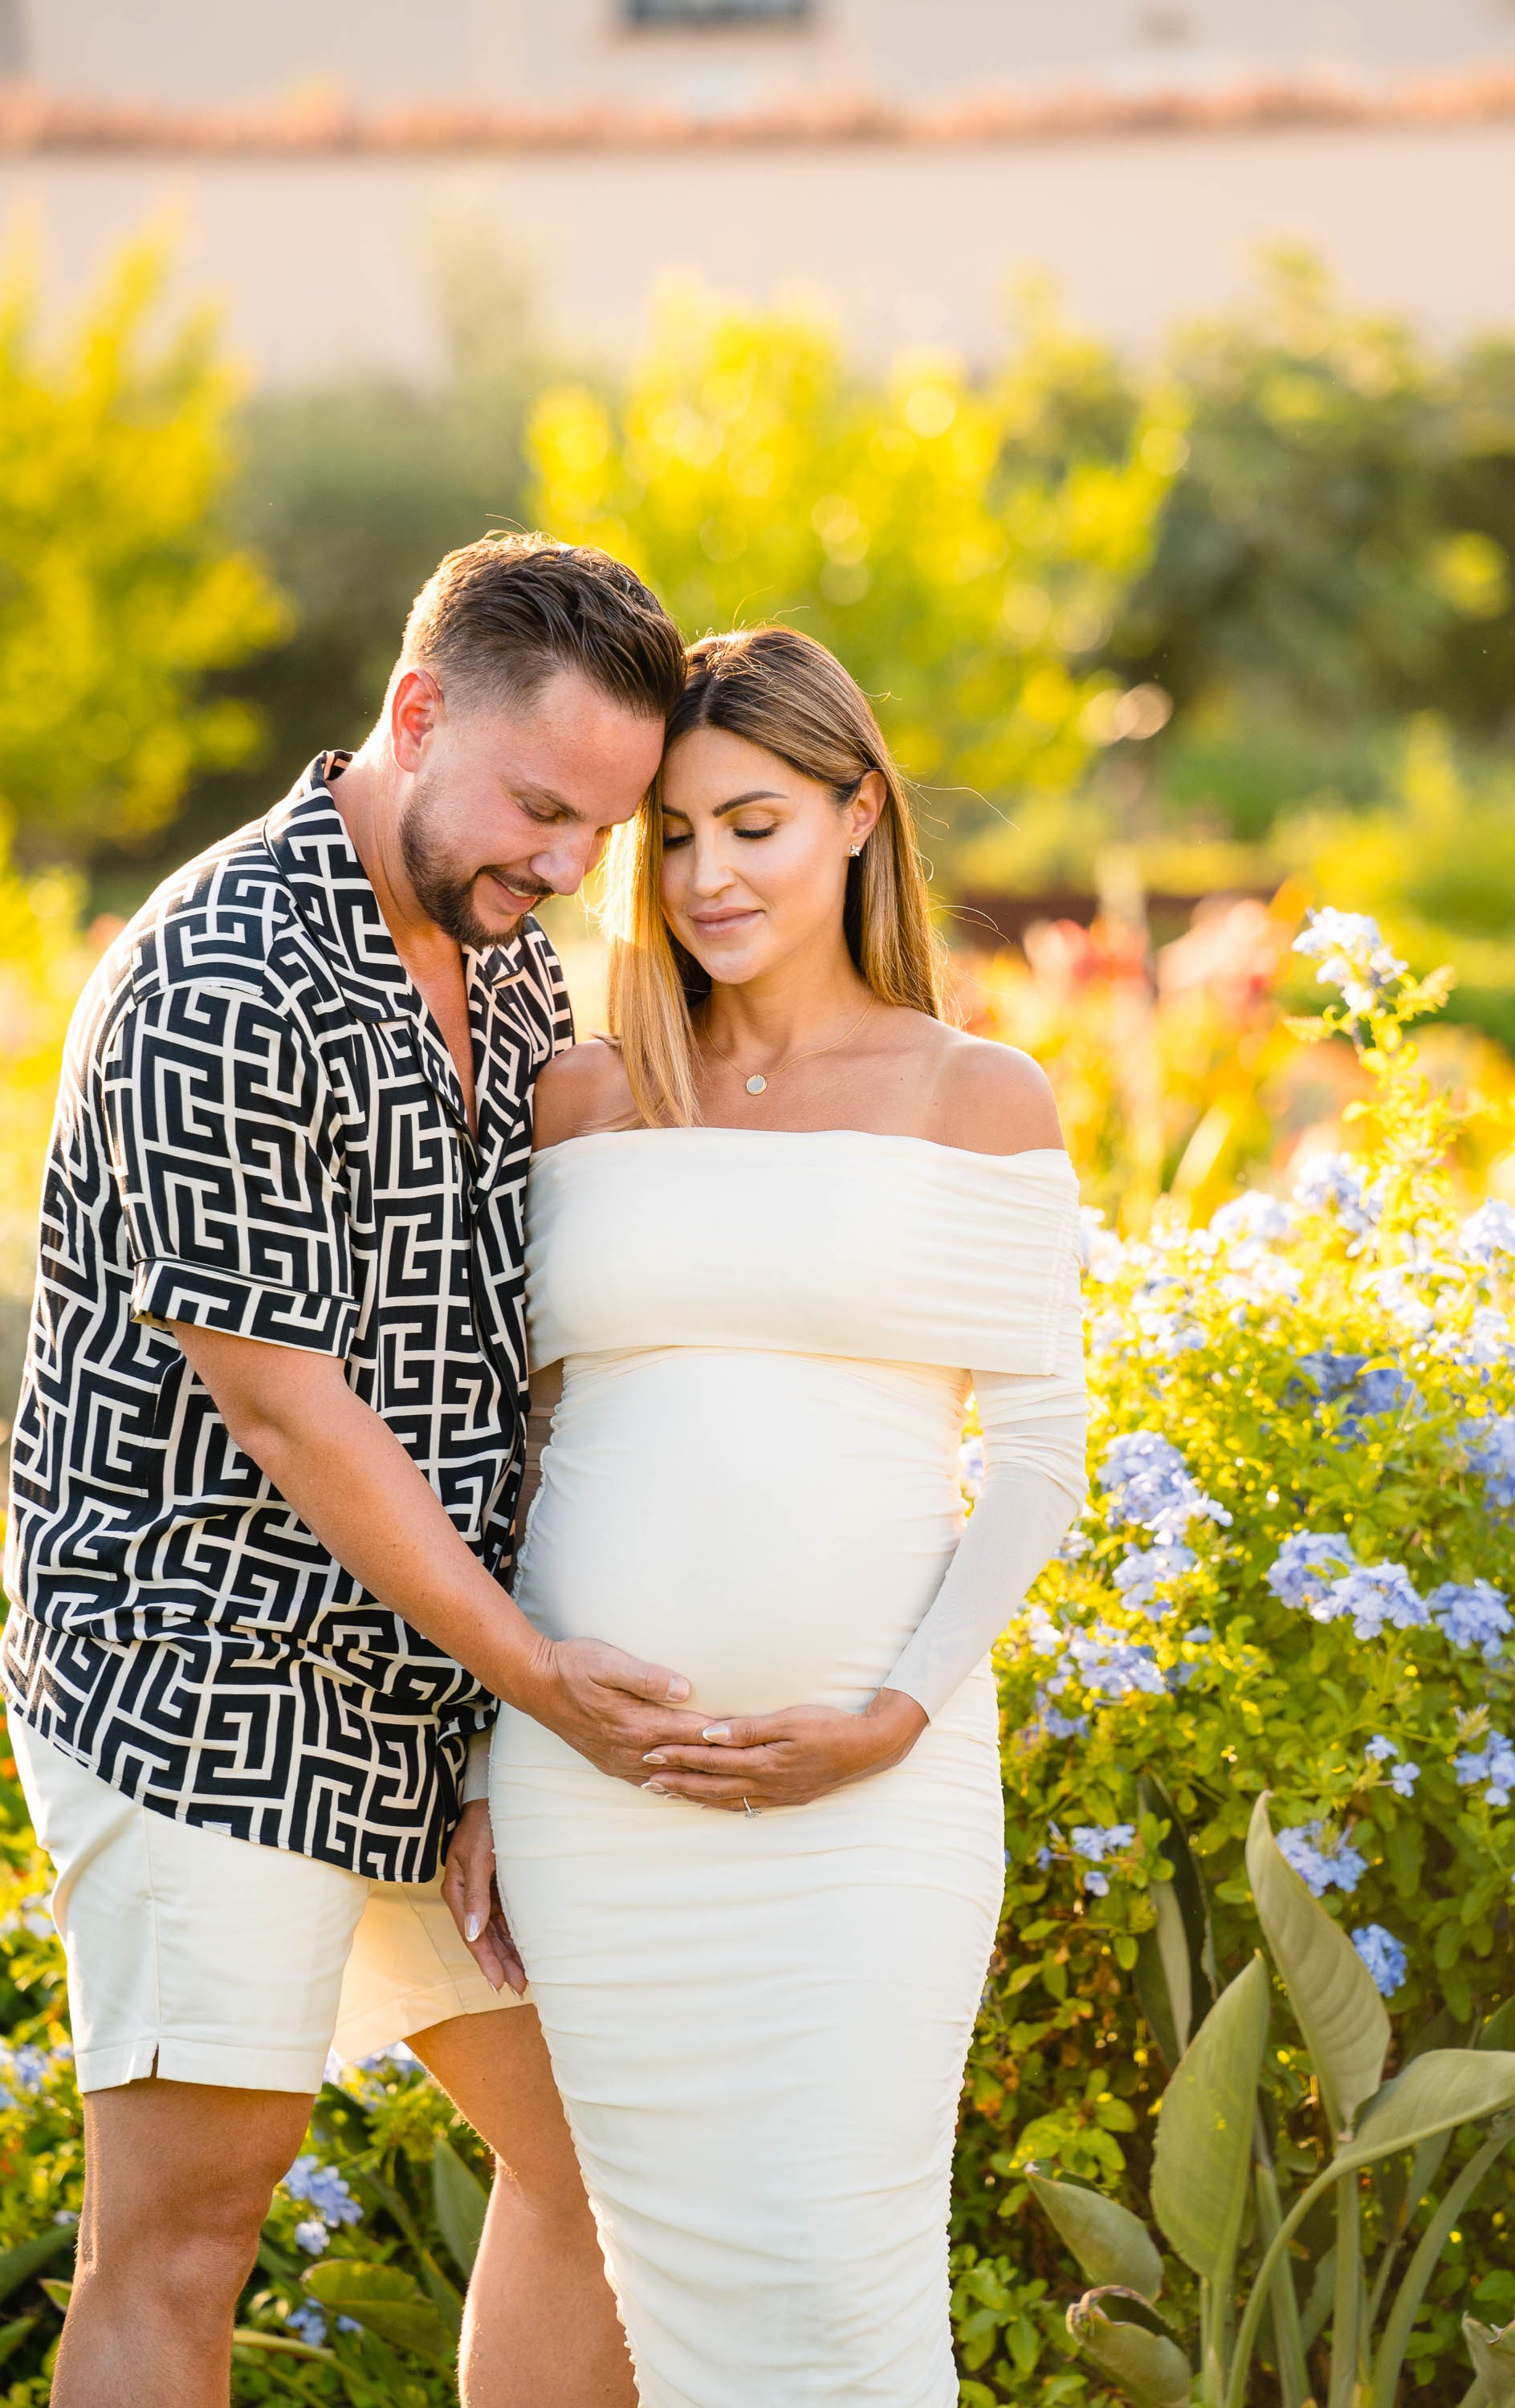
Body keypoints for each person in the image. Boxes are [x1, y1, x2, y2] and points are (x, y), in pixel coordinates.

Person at [2, 534, 697, 2408]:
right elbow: (293, 1413)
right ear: (414, 714)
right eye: (539, 807)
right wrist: (541, 1682)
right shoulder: (221, 969)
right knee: (183, 2242)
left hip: (440, 1677)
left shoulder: (517, 975)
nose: (562, 866)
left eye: (601, 833)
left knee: (618, 2170)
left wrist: (505, 1715)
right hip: (202, 1662)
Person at [451, 624, 1089, 2406]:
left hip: (868, 1807)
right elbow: (524, 1443)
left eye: (753, 824)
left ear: (858, 815)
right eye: (668, 837)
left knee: (830, 2277)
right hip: (601, 1796)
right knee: (640, 2269)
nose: (704, 875)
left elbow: (1040, 1452)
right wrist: (500, 1756)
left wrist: (891, 1715)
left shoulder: (976, 1102)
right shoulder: (583, 1096)